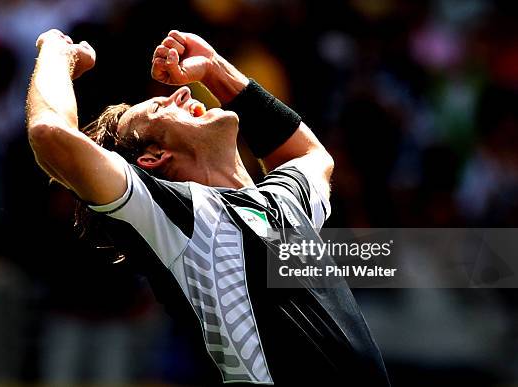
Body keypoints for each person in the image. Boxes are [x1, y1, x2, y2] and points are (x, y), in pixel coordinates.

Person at [26, 28, 390, 386]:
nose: (181, 91)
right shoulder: (175, 218)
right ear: (154, 158)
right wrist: (59, 54)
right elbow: (49, 134)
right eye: (159, 106)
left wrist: (216, 69)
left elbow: (310, 154)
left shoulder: (282, 201)